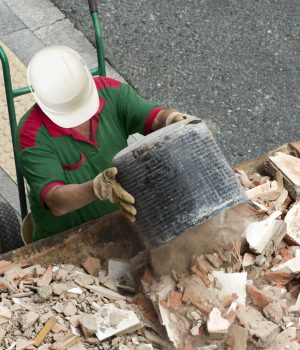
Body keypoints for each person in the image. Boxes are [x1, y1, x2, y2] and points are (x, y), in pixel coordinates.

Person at [17, 45, 194, 241]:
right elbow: (56, 201)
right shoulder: (31, 133)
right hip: (66, 238)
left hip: (123, 219)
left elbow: (156, 118)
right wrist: (96, 188)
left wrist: (173, 119)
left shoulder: (111, 92)